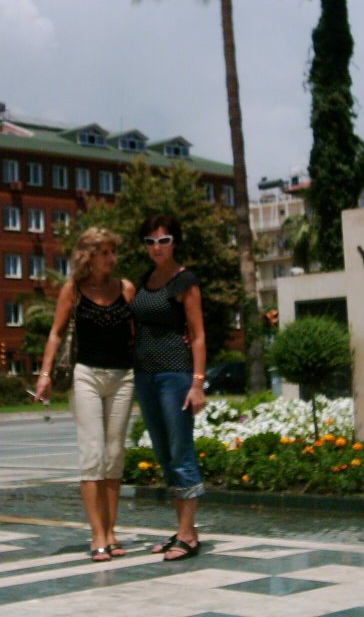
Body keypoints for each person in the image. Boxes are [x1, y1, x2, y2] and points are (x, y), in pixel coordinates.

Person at [34, 227, 135, 563]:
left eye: (112, 251)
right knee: (92, 454)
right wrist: (45, 374)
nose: (111, 258)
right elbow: (56, 333)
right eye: (104, 252)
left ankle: (111, 529)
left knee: (114, 454)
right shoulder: (73, 290)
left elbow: (137, 335)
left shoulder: (126, 289)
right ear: (88, 256)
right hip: (86, 375)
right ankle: (97, 535)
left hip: (123, 377)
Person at [129, 213, 206, 561]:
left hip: (175, 375)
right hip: (145, 375)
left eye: (163, 240)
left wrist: (198, 383)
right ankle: (182, 530)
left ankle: (188, 535)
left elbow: (199, 334)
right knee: (163, 454)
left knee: (180, 450)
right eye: (150, 241)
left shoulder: (184, 280)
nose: (157, 247)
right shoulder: (145, 279)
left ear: (174, 241)